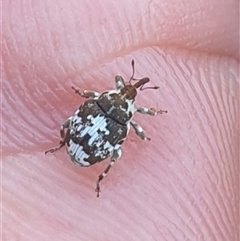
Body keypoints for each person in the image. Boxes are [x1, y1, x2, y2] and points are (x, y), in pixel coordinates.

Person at [2, 0, 239, 240]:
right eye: (128, 88)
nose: (129, 89)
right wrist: (144, 132)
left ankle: (72, 152)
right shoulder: (122, 116)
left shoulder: (103, 103)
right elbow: (123, 111)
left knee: (71, 126)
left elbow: (93, 95)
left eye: (129, 89)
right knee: (104, 148)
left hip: (88, 146)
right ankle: (75, 155)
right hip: (91, 147)